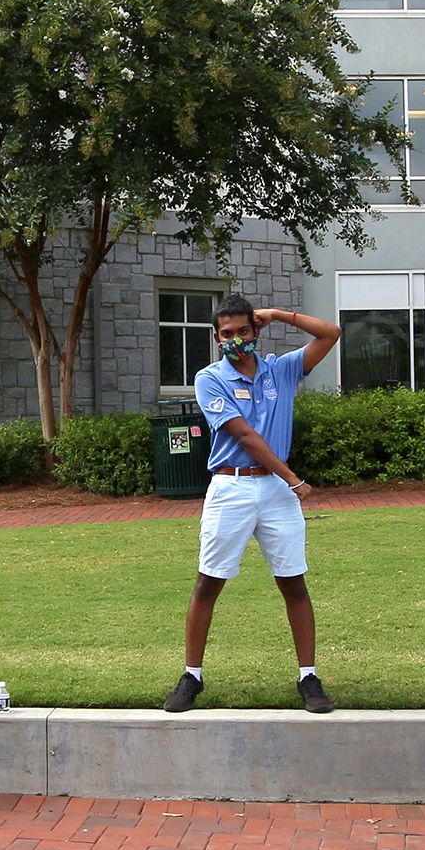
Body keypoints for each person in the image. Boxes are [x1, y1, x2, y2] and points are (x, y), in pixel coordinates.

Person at [163, 294, 342, 715]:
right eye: (227, 334)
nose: (236, 340)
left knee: (293, 581)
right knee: (209, 581)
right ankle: (192, 675)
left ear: (256, 330)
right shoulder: (210, 378)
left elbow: (331, 333)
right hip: (232, 488)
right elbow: (244, 436)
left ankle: (308, 677)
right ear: (216, 337)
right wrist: (292, 477)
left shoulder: (280, 370)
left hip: (277, 494)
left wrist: (280, 314)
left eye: (244, 331)